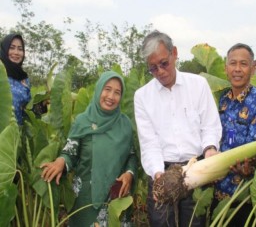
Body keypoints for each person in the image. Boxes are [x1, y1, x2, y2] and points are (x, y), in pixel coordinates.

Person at [134, 30, 222, 226]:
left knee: (195, 223)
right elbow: (149, 143)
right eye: (153, 68)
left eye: (164, 63)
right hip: (162, 171)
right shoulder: (142, 96)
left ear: (174, 53)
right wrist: (159, 177)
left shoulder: (198, 85)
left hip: (195, 169)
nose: (160, 72)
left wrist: (209, 149)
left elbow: (210, 125)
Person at [40, 71, 137, 227]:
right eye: (107, 89)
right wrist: (61, 161)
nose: (111, 96)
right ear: (99, 90)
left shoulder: (125, 124)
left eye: (117, 92)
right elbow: (71, 151)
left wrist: (129, 174)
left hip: (117, 198)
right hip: (85, 199)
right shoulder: (83, 121)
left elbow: (131, 156)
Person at [213, 43, 256, 226]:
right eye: (233, 63)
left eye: (243, 64)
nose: (237, 69)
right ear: (226, 68)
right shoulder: (222, 99)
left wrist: (249, 166)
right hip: (220, 193)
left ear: (252, 69)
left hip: (244, 196)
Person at [0, 33, 30, 125]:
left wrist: (42, 105)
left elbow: (26, 111)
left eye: (20, 49)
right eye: (12, 47)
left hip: (14, 135)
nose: (16, 52)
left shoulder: (24, 79)